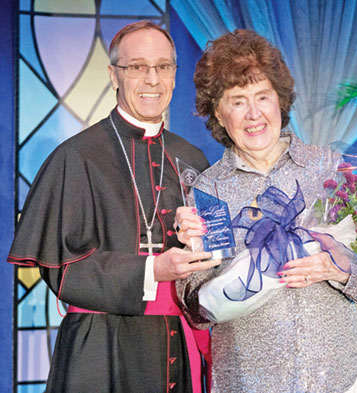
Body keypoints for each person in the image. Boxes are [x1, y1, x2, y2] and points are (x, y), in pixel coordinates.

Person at [7, 20, 220, 393]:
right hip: (99, 348)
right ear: (114, 75)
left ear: (174, 74)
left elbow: (212, 261)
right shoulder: (75, 157)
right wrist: (153, 269)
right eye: (137, 67)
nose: (152, 79)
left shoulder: (191, 158)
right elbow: (62, 268)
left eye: (163, 67)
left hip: (176, 345)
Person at [175, 29, 357, 393]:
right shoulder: (208, 192)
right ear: (219, 115)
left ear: (280, 102)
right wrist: (191, 255)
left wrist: (338, 267)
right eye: (237, 101)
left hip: (335, 372)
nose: (253, 113)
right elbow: (196, 310)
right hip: (249, 379)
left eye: (262, 96)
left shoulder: (327, 169)